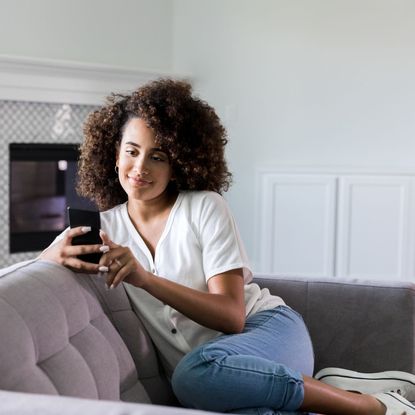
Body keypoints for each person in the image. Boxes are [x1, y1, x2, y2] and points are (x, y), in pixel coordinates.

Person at [40, 78, 415, 415]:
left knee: (191, 377)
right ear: (114, 152)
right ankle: (328, 390)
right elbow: (35, 270)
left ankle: (370, 407)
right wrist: (51, 256)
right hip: (218, 383)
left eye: (158, 156)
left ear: (178, 164)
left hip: (267, 334)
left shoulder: (204, 206)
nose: (140, 167)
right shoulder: (104, 228)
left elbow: (232, 317)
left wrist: (144, 278)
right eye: (132, 151)